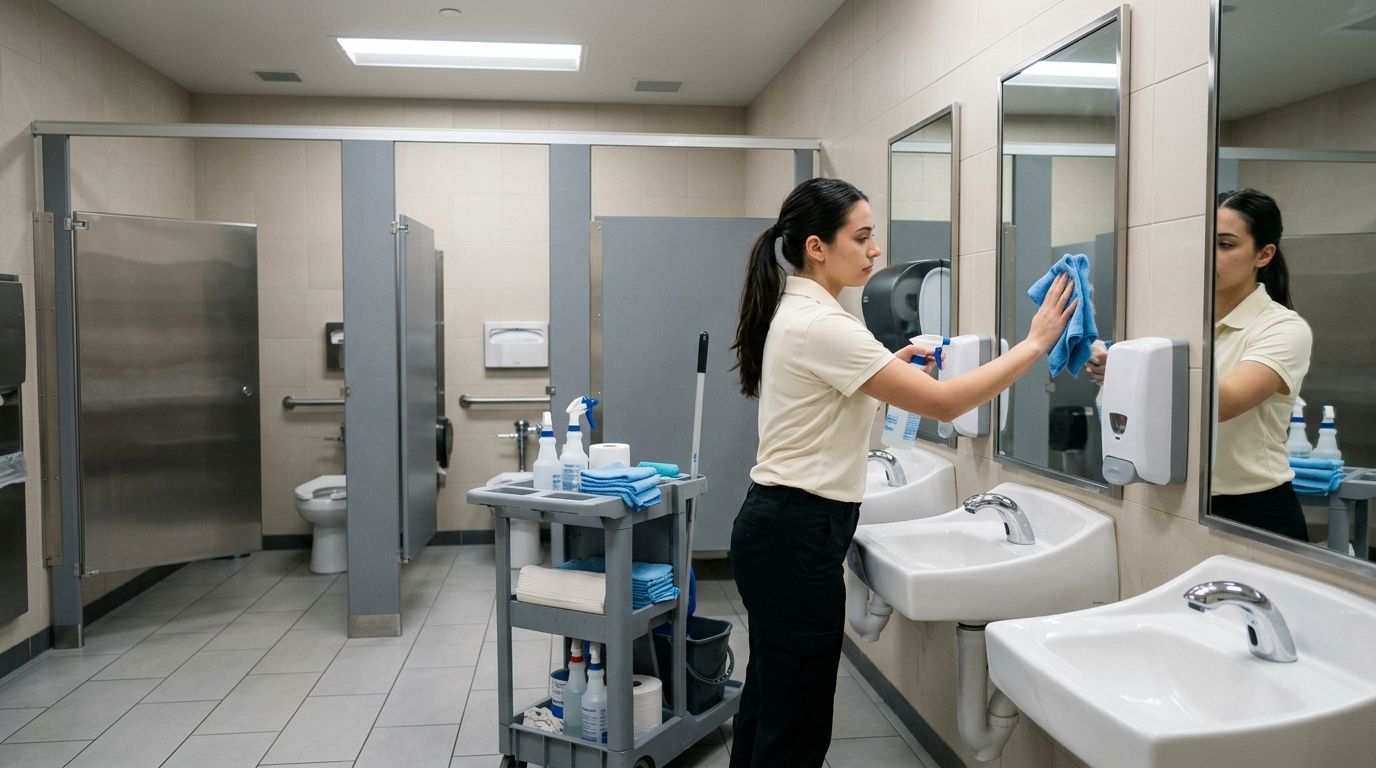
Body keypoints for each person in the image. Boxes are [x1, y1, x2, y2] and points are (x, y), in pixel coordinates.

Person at [727, 177, 1076, 768]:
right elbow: (945, 403)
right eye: (861, 237)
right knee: (795, 728)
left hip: (778, 527)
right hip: (796, 533)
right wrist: (1034, 344)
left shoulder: (800, 311)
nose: (875, 249)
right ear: (817, 247)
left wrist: (887, 366)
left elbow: (825, 398)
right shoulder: (826, 325)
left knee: (770, 705)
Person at [1087, 188, 1312, 540]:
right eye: (1204, 242)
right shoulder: (1179, 320)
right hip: (1176, 498)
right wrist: (1117, 373)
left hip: (1254, 509)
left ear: (1264, 254)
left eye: (1225, 244)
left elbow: (1224, 403)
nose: (1208, 254)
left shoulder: (1283, 329)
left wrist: (1141, 375)